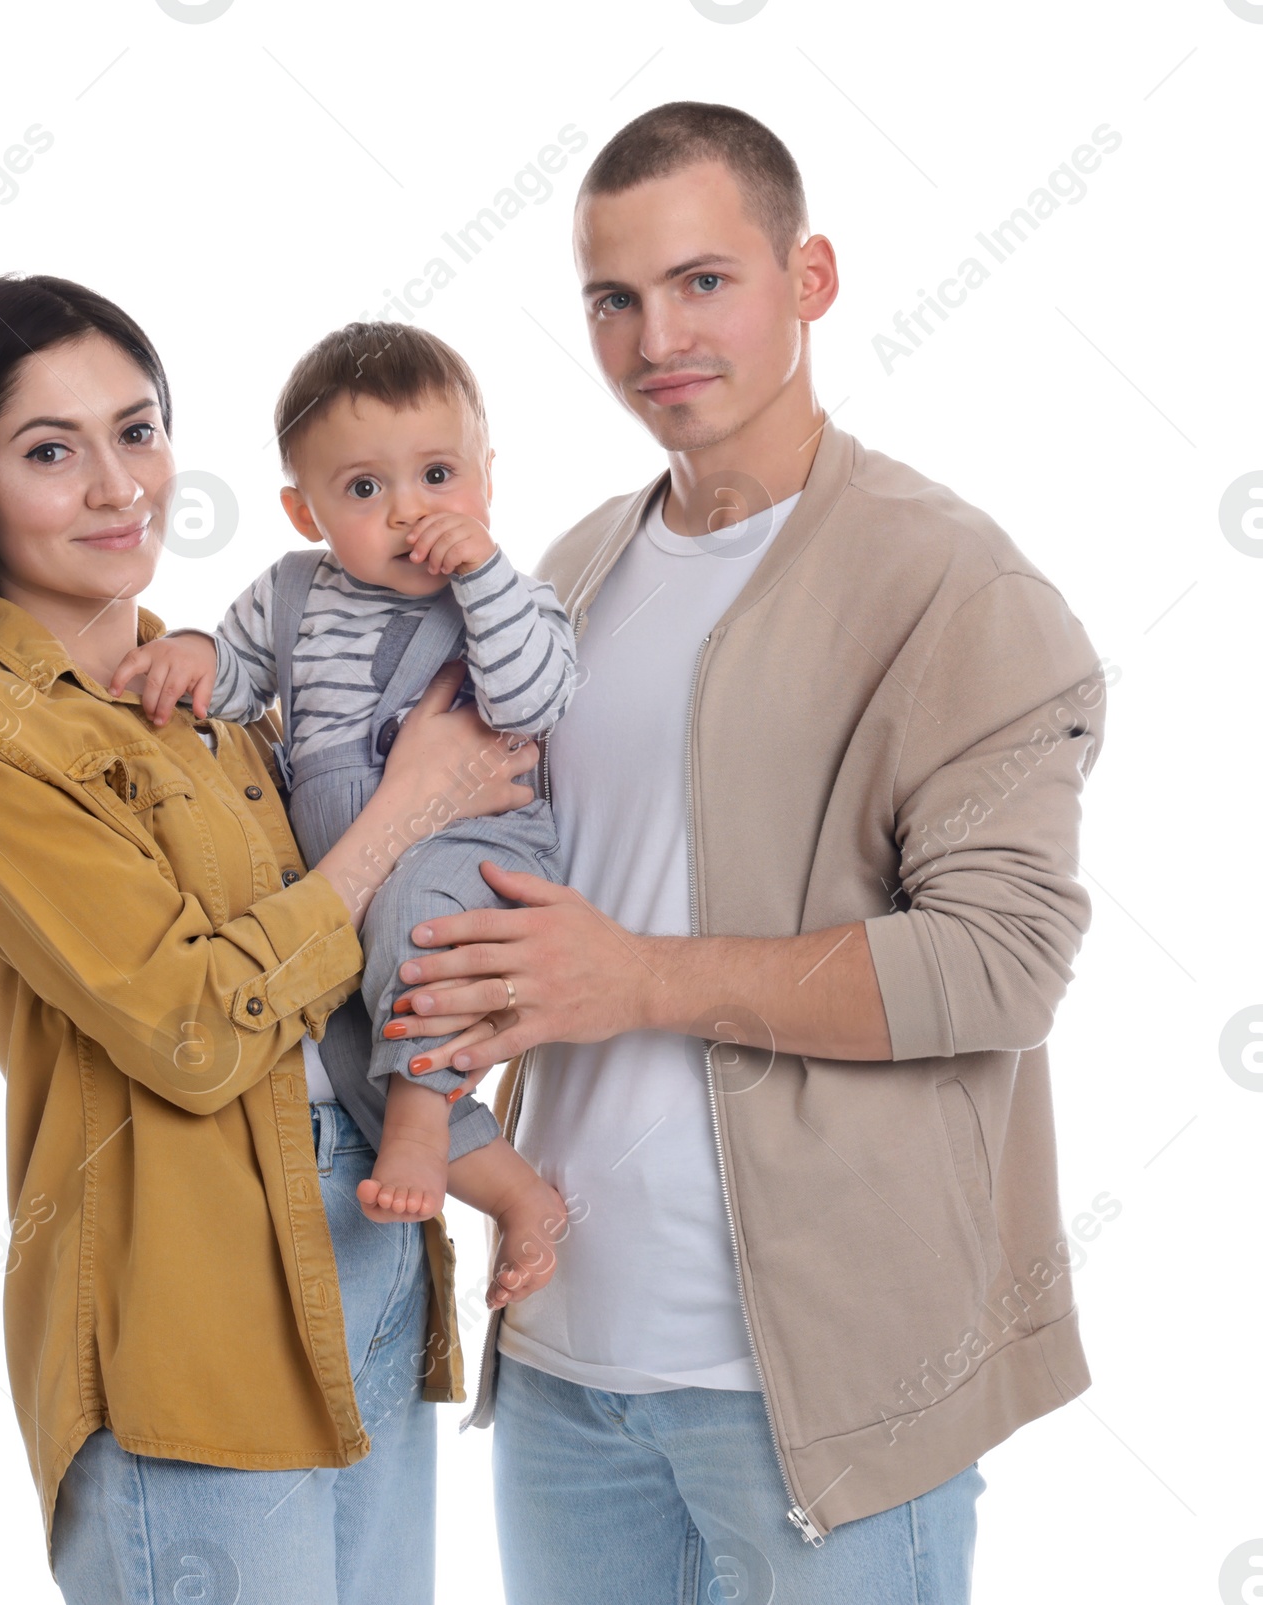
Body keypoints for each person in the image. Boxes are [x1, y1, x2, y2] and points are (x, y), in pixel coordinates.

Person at [383, 101, 1108, 1604]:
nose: (659, 336)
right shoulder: (567, 573)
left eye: (706, 281)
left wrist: (636, 978)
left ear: (812, 279)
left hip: (820, 1398)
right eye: (614, 298)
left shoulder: (951, 584)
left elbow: (1004, 962)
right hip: (567, 1367)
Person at [0, 274, 534, 1604]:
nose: (118, 487)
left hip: (365, 1270)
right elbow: (197, 1026)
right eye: (52, 450)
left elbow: (366, 939)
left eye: (138, 430)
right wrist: (411, 805)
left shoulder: (213, 690)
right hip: (194, 1326)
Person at [110, 321, 570, 1293]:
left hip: (475, 846)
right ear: (303, 509)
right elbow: (230, 682)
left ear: (488, 472)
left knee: (416, 946)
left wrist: (482, 575)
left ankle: (416, 1123)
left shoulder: (516, 600)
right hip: (346, 894)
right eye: (365, 489)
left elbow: (531, 702)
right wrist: (188, 653)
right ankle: (516, 1193)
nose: (411, 513)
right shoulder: (289, 597)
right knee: (345, 1037)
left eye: (439, 476)